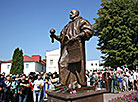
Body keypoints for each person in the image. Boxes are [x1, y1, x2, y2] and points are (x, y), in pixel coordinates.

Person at [50, 9, 93, 87]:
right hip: (67, 47)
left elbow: (88, 31)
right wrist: (54, 36)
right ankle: (63, 82)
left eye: (71, 12)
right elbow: (62, 38)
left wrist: (77, 36)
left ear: (76, 13)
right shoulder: (66, 26)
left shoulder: (81, 21)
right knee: (62, 62)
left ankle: (80, 83)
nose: (69, 14)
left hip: (76, 46)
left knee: (77, 65)